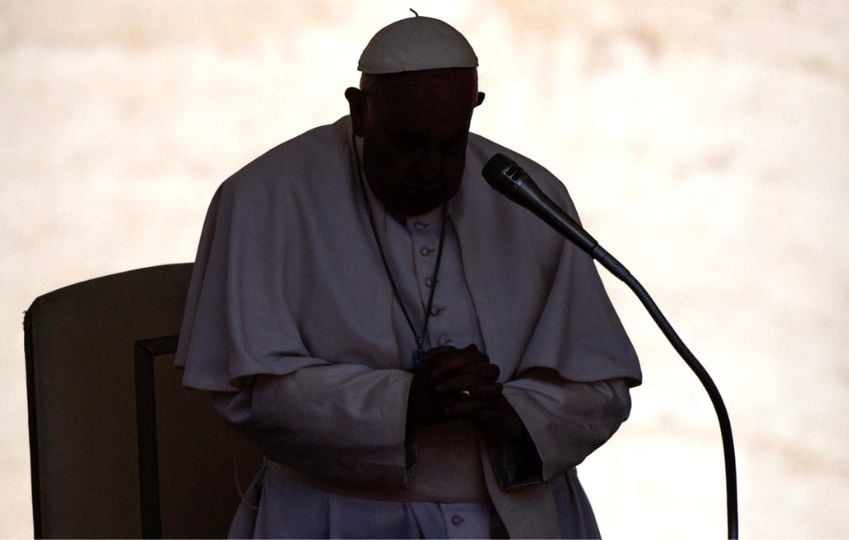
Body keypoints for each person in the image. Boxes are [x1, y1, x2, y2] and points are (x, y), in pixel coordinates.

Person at [176, 14, 641, 539]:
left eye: (450, 145)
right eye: (408, 144)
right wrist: (404, 403)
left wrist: (509, 410)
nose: (432, 170)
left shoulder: (528, 194)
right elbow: (248, 394)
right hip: (342, 518)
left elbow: (600, 389)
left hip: (515, 517)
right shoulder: (266, 197)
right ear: (359, 111)